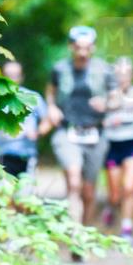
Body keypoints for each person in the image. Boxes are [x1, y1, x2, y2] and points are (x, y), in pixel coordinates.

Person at [46, 26, 116, 237]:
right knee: (74, 181)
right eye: (78, 47)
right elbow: (50, 92)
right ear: (71, 47)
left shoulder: (104, 70)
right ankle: (73, 228)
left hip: (95, 133)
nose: (82, 52)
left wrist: (106, 103)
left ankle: (83, 236)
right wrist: (51, 107)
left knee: (88, 191)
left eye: (86, 48)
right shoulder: (59, 69)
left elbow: (116, 97)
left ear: (93, 48)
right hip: (67, 131)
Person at [101, 57, 133, 243]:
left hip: (131, 145)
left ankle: (127, 229)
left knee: (129, 188)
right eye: (119, 74)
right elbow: (97, 121)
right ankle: (110, 206)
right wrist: (108, 121)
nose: (123, 78)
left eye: (127, 74)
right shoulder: (107, 95)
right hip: (112, 146)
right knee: (115, 194)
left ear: (132, 75)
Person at [0, 60, 51, 178]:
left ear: (21, 77)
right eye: (8, 75)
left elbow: (47, 121)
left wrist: (37, 133)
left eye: (15, 75)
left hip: (27, 155)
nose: (12, 79)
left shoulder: (33, 98)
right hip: (2, 155)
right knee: (5, 193)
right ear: (2, 77)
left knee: (25, 193)